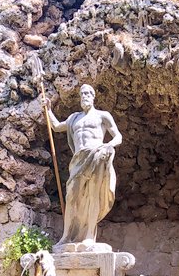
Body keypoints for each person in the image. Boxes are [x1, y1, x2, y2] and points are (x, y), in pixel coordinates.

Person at [40, 84, 122, 250]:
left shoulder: (102, 116)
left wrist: (108, 146)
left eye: (88, 93)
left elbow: (118, 136)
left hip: (97, 155)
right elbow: (56, 127)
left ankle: (90, 236)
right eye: (82, 94)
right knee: (71, 196)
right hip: (78, 159)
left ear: (93, 96)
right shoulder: (74, 118)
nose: (84, 96)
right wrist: (47, 109)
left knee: (93, 195)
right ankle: (66, 236)